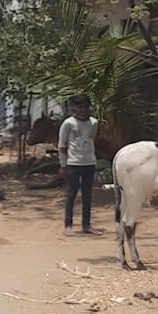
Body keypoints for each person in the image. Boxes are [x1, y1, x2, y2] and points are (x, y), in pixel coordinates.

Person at [59, 94, 99, 236]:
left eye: (86, 107)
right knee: (71, 194)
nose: (83, 110)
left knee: (87, 195)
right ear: (73, 108)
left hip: (89, 162)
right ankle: (68, 225)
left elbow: (91, 139)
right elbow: (62, 145)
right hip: (73, 164)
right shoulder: (68, 123)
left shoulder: (93, 123)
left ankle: (86, 225)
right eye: (80, 107)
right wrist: (63, 165)